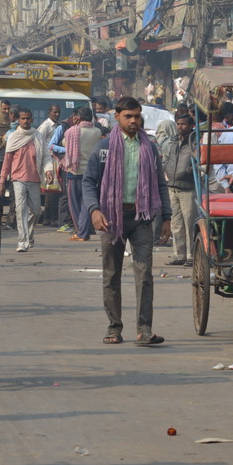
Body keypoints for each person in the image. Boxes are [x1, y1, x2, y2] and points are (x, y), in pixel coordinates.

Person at [82, 97, 172, 346]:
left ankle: (144, 330)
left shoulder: (150, 148)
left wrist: (166, 217)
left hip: (142, 217)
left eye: (137, 116)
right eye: (128, 116)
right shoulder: (103, 147)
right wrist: (94, 210)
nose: (134, 121)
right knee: (111, 276)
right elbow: (89, 182)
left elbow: (160, 184)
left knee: (144, 275)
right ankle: (114, 327)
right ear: (117, 117)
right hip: (111, 218)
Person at [0, 107, 43, 252]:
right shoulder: (13, 137)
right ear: (18, 120)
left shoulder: (37, 136)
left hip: (34, 178)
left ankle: (29, 235)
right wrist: (2, 181)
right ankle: (22, 242)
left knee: (36, 211)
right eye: (23, 118)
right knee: (21, 210)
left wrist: (48, 170)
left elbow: (46, 156)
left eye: (28, 118)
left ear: (32, 119)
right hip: (18, 179)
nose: (25, 121)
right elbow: (7, 161)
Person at [59, 107, 102, 242]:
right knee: (87, 203)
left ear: (79, 117)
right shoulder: (97, 131)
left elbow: (65, 145)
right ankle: (86, 230)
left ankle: (81, 232)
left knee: (74, 204)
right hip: (91, 172)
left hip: (74, 171)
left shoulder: (71, 131)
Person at [160, 112, 197, 266]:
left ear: (190, 126)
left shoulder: (195, 143)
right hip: (173, 187)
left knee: (189, 224)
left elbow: (199, 163)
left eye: (183, 124)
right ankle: (179, 255)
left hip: (188, 188)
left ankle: (191, 256)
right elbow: (167, 159)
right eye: (178, 124)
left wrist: (188, 171)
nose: (180, 127)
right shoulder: (174, 142)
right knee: (176, 224)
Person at [36, 104, 66, 227]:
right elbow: (38, 142)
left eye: (58, 112)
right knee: (52, 192)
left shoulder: (57, 126)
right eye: (54, 112)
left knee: (52, 191)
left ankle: (48, 218)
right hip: (48, 161)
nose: (57, 114)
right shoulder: (45, 126)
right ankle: (50, 218)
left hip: (55, 160)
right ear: (49, 113)